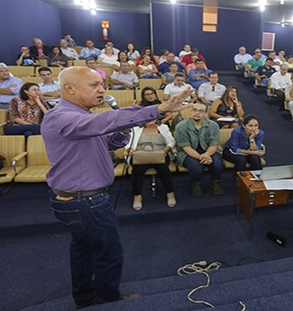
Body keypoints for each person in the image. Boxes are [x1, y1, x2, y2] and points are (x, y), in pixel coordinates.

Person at [42, 66, 192, 309]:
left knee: (82, 251)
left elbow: (107, 142)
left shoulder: (81, 117)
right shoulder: (61, 116)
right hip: (85, 202)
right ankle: (106, 303)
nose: (102, 89)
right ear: (69, 88)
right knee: (108, 255)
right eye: (94, 85)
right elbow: (105, 120)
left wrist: (123, 129)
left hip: (79, 200)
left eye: (101, 85)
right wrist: (158, 109)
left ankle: (84, 300)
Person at [175, 102, 224, 197]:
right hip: (187, 152)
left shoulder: (213, 126)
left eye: (201, 111)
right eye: (194, 110)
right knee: (196, 167)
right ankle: (196, 184)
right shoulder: (181, 127)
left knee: (218, 164)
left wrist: (207, 155)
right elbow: (187, 148)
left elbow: (213, 145)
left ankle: (216, 182)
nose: (197, 113)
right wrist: (202, 157)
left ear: (205, 113)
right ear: (190, 111)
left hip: (208, 150)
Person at [126, 118, 176, 210]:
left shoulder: (163, 128)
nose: (150, 120)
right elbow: (128, 143)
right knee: (137, 170)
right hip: (141, 156)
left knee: (163, 169)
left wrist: (166, 149)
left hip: (160, 154)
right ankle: (137, 196)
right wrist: (130, 149)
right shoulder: (136, 129)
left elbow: (171, 141)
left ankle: (170, 193)